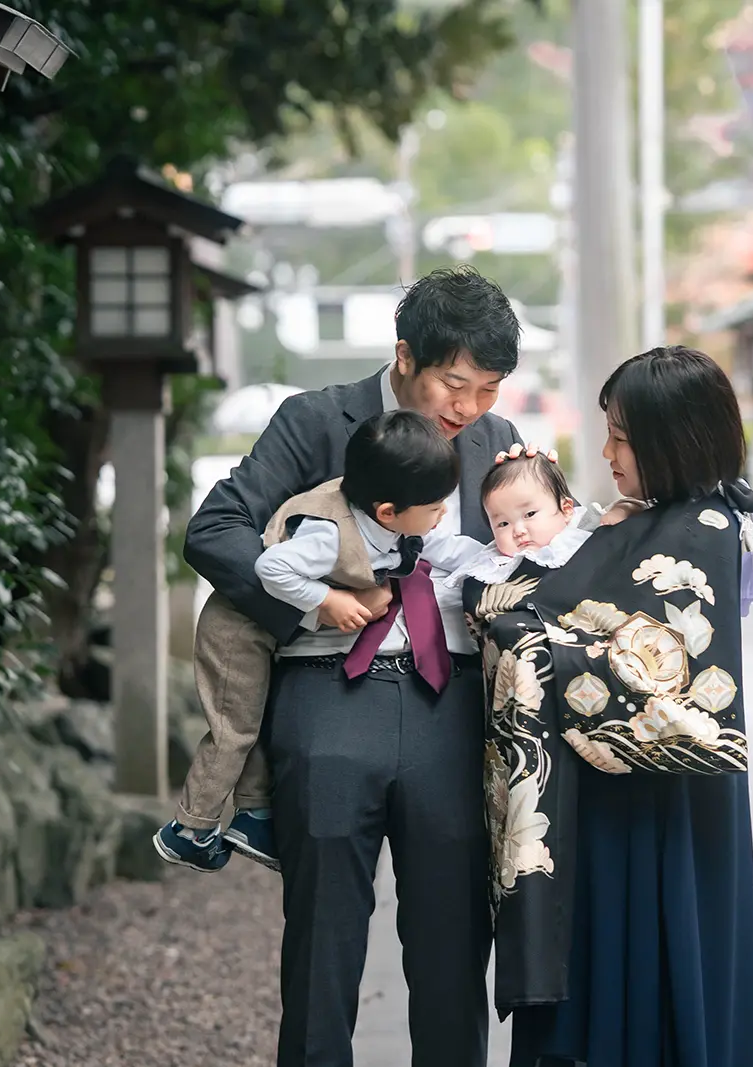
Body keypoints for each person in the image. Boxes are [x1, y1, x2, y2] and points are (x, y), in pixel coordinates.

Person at [184, 266, 524, 1067]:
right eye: (455, 383)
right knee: (323, 938)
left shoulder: (496, 445)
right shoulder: (313, 420)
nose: (467, 409)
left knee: (452, 942)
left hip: (453, 704)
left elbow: (533, 556)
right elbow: (215, 529)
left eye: (488, 390)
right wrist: (316, 601)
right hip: (327, 692)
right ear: (406, 355)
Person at [473, 346, 753, 1067]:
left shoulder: (701, 527)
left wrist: (519, 624)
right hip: (612, 791)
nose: (606, 452)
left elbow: (644, 668)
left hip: (659, 794)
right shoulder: (651, 514)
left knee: (649, 969)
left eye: (620, 436)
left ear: (673, 436)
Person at [154, 410, 487, 874]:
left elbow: (446, 550)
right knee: (236, 729)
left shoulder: (389, 517)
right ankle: (189, 828)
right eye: (435, 508)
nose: (443, 516)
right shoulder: (329, 533)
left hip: (273, 629)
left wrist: (507, 553)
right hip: (238, 627)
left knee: (261, 721)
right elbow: (271, 570)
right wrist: (325, 601)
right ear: (388, 512)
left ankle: (252, 818)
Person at [444, 445, 645, 593]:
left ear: (566, 509)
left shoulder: (583, 526)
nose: (518, 530)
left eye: (530, 514)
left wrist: (622, 510)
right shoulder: (495, 565)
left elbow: (636, 508)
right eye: (503, 523)